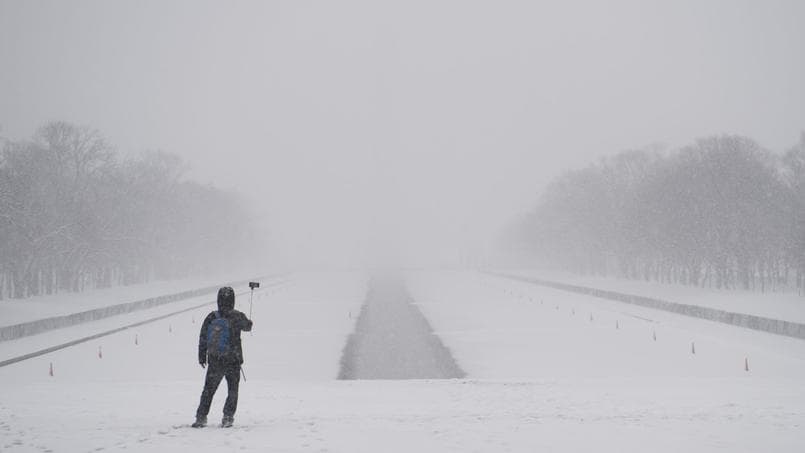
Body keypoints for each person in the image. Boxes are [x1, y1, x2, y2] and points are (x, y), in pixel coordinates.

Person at [192, 286, 253, 428]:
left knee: (209, 390)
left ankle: (201, 417)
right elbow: (248, 327)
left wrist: (202, 356)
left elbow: (203, 337)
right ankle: (228, 417)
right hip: (233, 360)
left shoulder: (212, 317)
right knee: (232, 390)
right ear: (233, 300)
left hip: (215, 360)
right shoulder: (237, 316)